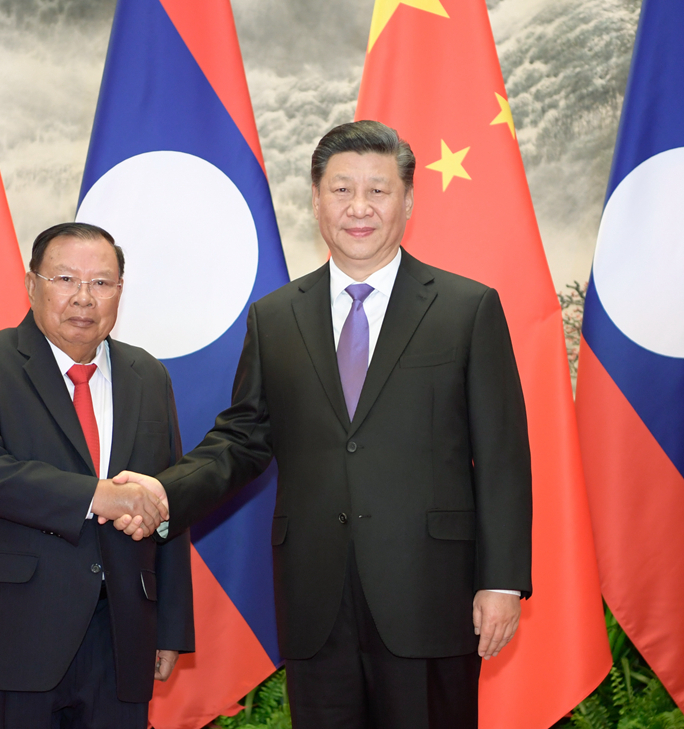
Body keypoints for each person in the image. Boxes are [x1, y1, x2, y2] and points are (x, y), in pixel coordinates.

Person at [114, 121, 532, 728]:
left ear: (408, 201)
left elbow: (502, 457)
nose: (359, 208)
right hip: (316, 601)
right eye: (341, 190)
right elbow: (243, 438)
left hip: (430, 594)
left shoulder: (467, 309)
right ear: (316, 200)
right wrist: (162, 491)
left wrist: (502, 581)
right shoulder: (276, 317)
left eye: (378, 190)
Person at [0, 222, 194, 729]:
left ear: (120, 290)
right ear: (31, 284)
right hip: (11, 634)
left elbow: (167, 502)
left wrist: (170, 626)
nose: (83, 297)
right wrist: (97, 496)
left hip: (120, 637)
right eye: (65, 279)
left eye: (101, 283)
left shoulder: (148, 375)